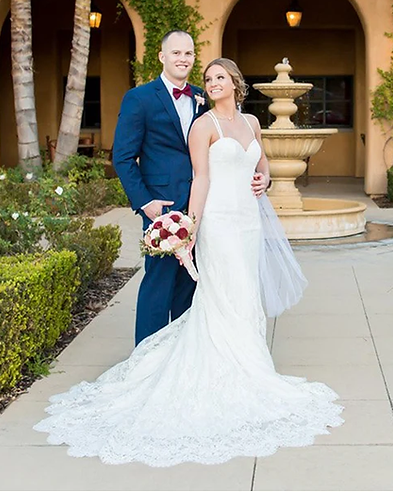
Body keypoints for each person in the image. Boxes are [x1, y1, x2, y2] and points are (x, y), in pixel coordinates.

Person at [35, 58, 343, 466]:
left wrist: (264, 179)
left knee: (244, 290)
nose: (213, 83)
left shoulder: (251, 123)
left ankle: (252, 364)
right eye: (208, 79)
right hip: (219, 221)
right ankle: (229, 369)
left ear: (235, 82)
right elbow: (201, 179)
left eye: (220, 77)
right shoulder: (204, 126)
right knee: (222, 291)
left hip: (248, 222)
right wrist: (191, 227)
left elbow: (261, 162)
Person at [111, 30, 210, 345]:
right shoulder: (139, 98)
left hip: (200, 205)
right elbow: (123, 157)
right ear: (162, 57)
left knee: (191, 284)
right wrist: (146, 203)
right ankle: (147, 360)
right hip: (162, 208)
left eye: (189, 54)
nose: (183, 59)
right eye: (177, 53)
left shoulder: (203, 98)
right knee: (158, 283)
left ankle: (181, 357)